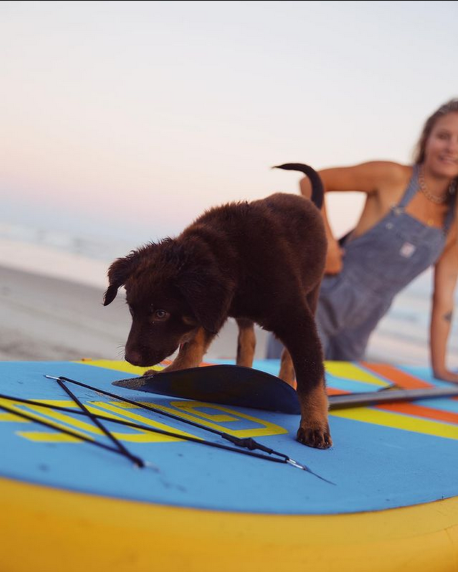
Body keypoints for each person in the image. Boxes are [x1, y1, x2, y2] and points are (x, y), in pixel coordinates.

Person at [267, 99, 458, 383]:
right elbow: (312, 180)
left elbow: (443, 301)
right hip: (317, 306)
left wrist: (440, 368)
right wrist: (327, 242)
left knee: (331, 407)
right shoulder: (392, 176)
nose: (451, 147)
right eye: (443, 136)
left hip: (361, 329)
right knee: (285, 394)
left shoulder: (453, 222)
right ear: (427, 140)